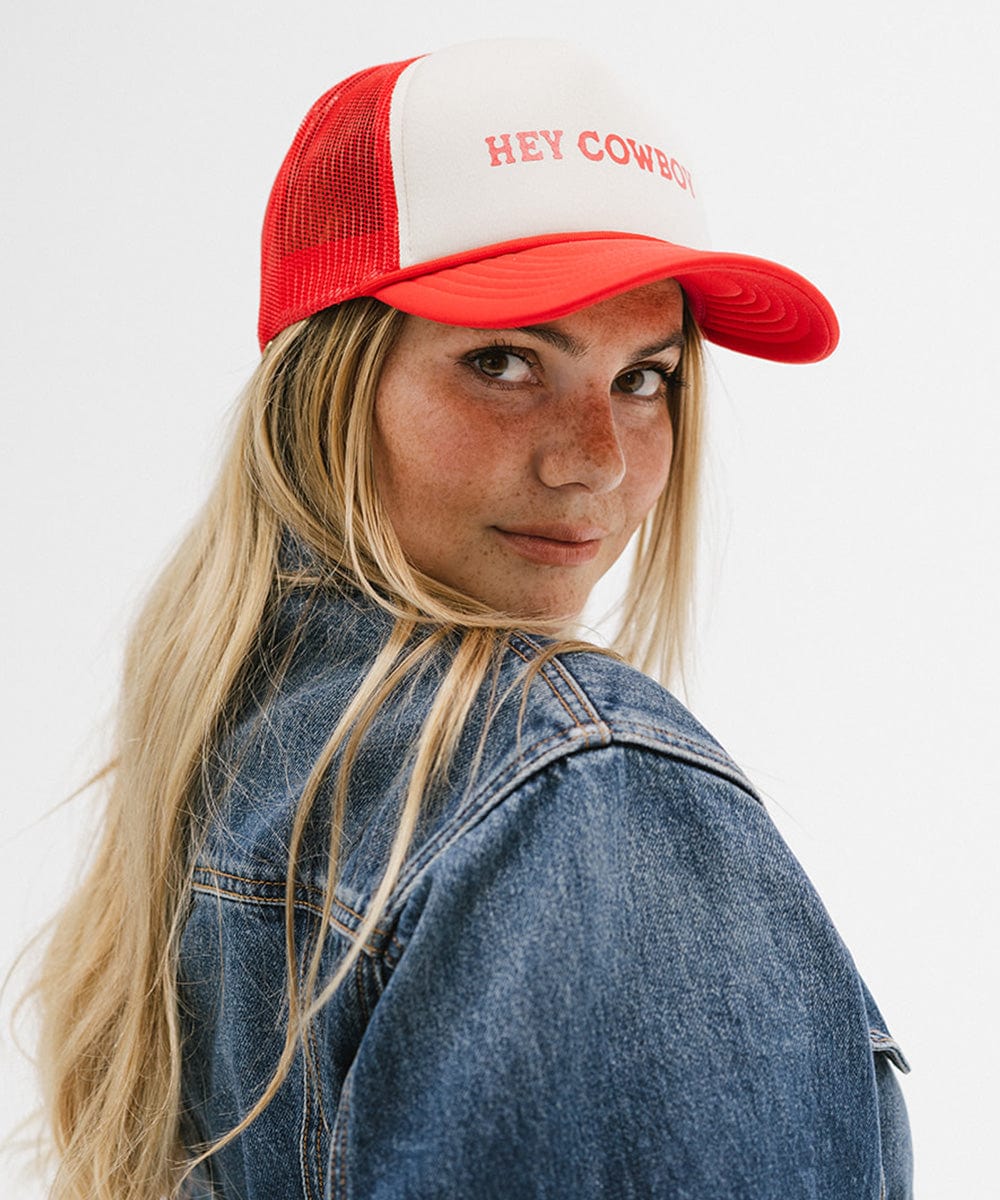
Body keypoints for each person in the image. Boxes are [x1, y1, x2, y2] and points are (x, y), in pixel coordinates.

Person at [33, 37, 913, 1200]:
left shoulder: (245, 757)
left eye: (645, 377)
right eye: (503, 361)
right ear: (328, 391)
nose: (593, 462)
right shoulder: (574, 788)